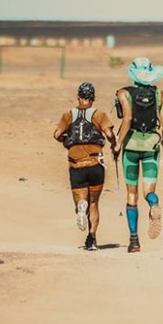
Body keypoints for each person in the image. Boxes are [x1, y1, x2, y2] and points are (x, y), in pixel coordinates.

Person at [113, 57, 163, 253]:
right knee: (148, 192)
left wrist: (117, 143)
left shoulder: (123, 93)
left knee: (131, 194)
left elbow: (127, 119)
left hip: (130, 147)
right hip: (151, 147)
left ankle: (134, 241)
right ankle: (154, 204)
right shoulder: (159, 94)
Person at [54, 82, 117, 251]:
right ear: (93, 99)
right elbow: (110, 134)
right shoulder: (100, 115)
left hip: (76, 164)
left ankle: (81, 206)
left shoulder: (68, 115)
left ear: (78, 97)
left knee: (82, 200)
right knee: (94, 204)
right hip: (95, 163)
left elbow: (57, 134)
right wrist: (114, 145)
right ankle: (92, 239)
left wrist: (66, 140)